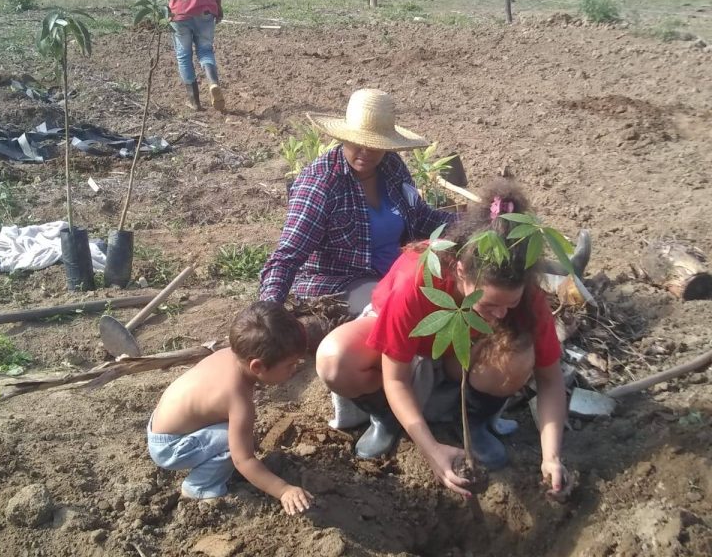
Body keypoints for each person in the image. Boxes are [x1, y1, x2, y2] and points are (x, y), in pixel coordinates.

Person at [315, 179, 570, 499]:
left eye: (510, 305)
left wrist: (551, 457)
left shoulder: (523, 294)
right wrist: (431, 450)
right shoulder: (418, 276)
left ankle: (474, 422)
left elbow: (550, 379)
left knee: (518, 354)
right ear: (461, 270)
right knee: (335, 360)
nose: (501, 315)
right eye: (490, 304)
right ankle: (387, 418)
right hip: (403, 341)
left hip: (458, 356)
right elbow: (395, 378)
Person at [259, 88, 458, 315]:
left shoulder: (392, 167)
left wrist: (479, 220)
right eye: (357, 143)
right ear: (344, 137)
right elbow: (287, 256)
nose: (365, 152)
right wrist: (268, 312)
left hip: (395, 271)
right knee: (394, 308)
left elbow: (422, 217)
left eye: (374, 145)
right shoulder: (322, 184)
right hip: (341, 281)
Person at [147, 301, 313, 514]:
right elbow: (243, 459)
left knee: (238, 434)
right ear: (257, 366)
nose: (294, 370)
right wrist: (283, 490)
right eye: (290, 365)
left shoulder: (227, 354)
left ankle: (209, 459)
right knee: (233, 442)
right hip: (169, 447)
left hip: (163, 424)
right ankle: (200, 486)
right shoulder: (238, 400)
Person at [164, 0, 225, 112]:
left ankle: (194, 101)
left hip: (179, 12)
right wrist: (218, 6)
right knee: (205, 51)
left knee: (184, 56)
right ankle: (213, 83)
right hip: (205, 9)